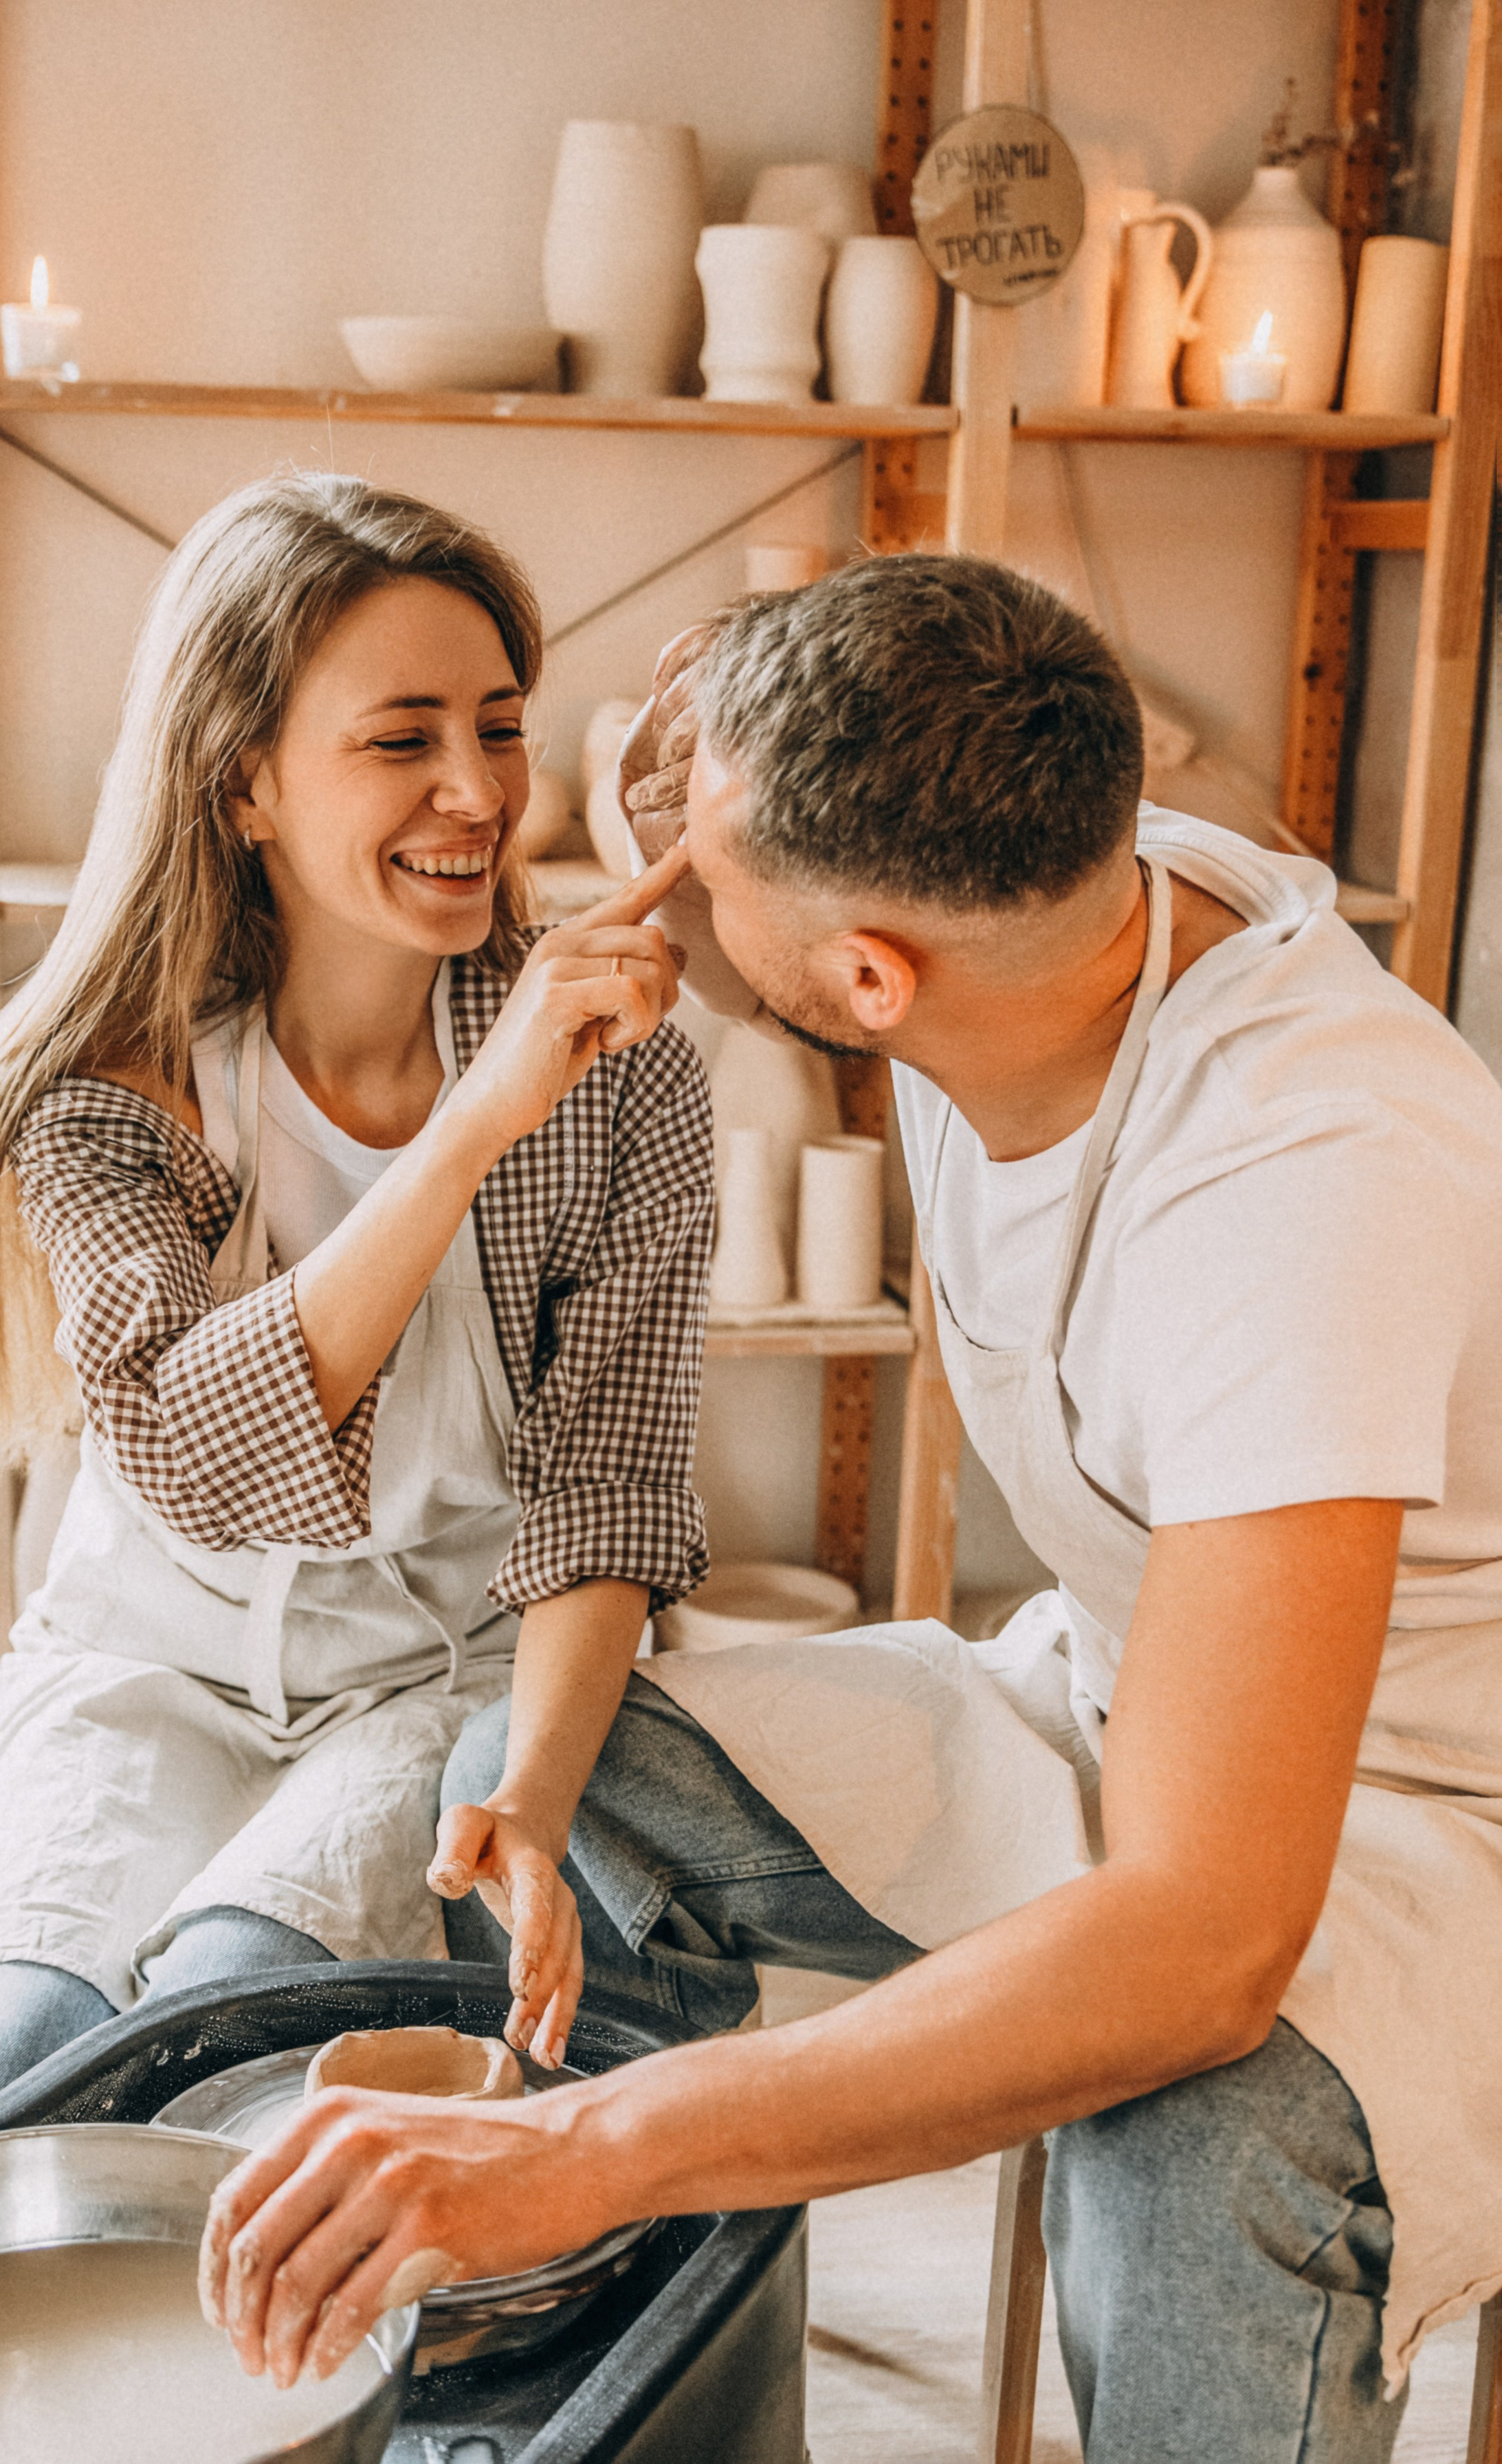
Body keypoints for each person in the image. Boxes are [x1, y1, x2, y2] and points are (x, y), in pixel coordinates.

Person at [197, 554, 1502, 2462]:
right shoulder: (1047, 872)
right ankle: (680, 2413)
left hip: (1427, 1808)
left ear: (870, 982)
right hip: (1117, 1683)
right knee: (554, 1779)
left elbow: (1208, 1942)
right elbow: (823, 721)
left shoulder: (1298, 1184)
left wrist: (590, 2145)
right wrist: (703, 775)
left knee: (1193, 2117)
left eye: (700, 871)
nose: (658, 887)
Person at [0, 474, 709, 2150]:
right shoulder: (110, 1086)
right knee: (6, 2082)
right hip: (143, 1668)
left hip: (426, 1682)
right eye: (401, 738)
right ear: (242, 781)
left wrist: (529, 1794)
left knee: (234, 2033)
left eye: (499, 726)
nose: (476, 791)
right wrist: (472, 1119)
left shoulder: (624, 1084)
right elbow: (197, 1455)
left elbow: (608, 1489)